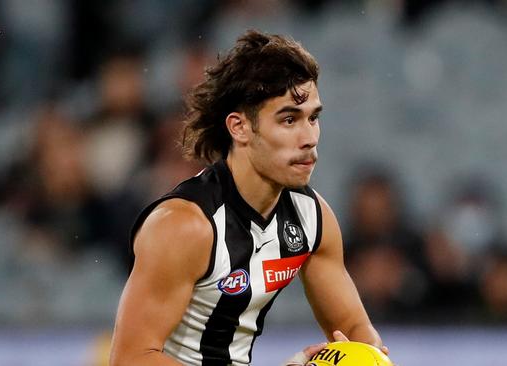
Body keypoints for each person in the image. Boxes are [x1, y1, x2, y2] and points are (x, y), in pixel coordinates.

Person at [109, 30, 383, 366]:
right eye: (289, 119)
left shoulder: (312, 218)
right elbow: (130, 358)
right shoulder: (185, 226)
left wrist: (366, 358)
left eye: (313, 118)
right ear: (239, 128)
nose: (309, 137)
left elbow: (355, 329)